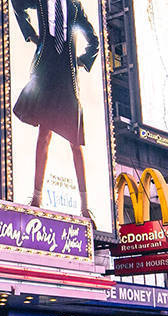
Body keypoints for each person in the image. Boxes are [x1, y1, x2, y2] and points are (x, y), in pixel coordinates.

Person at [11, 0, 100, 218]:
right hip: (46, 71)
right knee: (44, 134)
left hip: (67, 77)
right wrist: (31, 35)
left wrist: (82, 61)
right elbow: (17, 3)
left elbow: (94, 41)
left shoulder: (75, 6)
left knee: (75, 141)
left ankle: (84, 206)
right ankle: (37, 197)